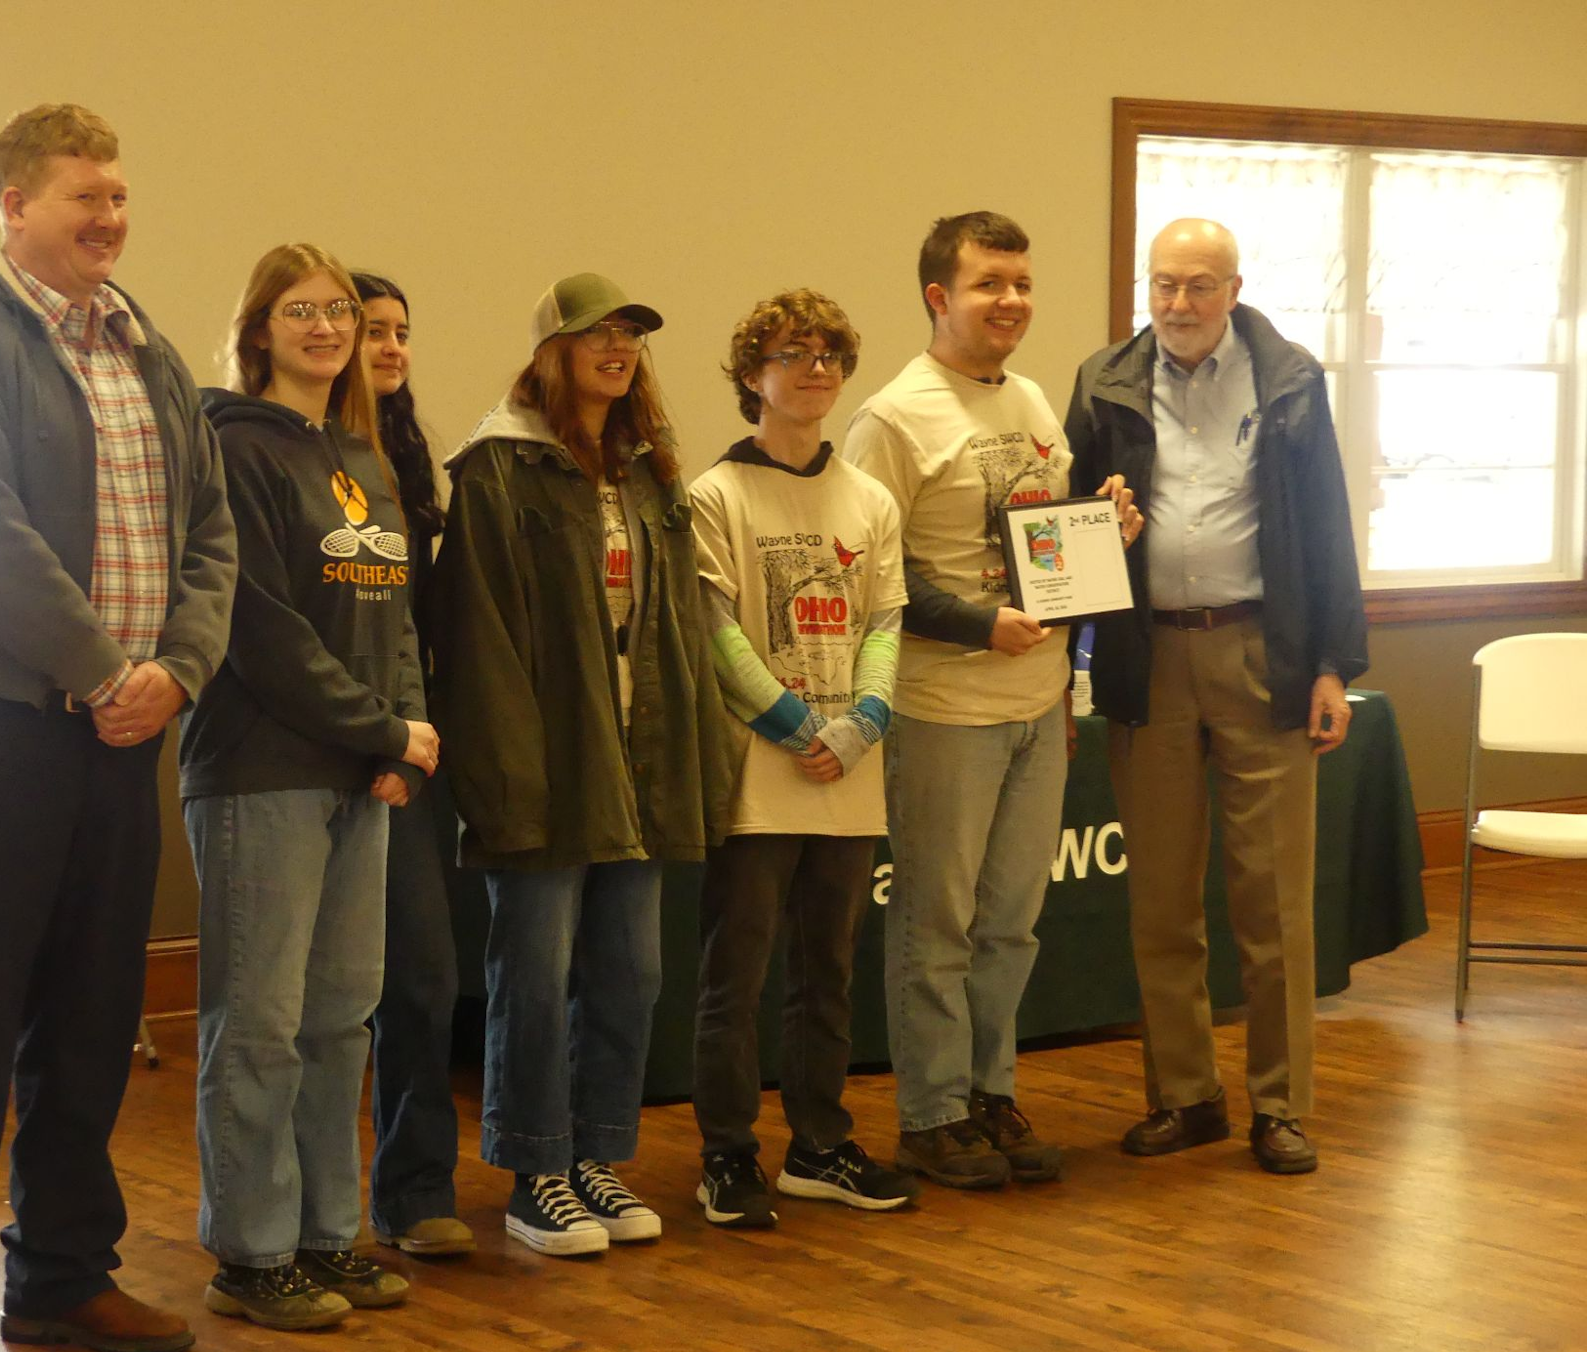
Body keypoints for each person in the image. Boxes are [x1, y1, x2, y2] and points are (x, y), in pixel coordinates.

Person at [0, 103, 235, 1352]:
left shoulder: (144, 348)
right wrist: (101, 670)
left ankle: (64, 1276)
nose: (111, 218)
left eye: (121, 195)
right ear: (14, 204)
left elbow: (209, 538)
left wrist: (174, 672)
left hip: (115, 733)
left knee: (89, 1026)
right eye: (86, 197)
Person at [434, 272, 732, 1255]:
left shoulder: (644, 472)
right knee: (532, 971)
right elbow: (476, 639)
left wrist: (684, 758)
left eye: (630, 336)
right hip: (545, 770)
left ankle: (596, 1157)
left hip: (636, 767)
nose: (617, 350)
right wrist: (507, 782)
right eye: (596, 334)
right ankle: (534, 1172)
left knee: (629, 971)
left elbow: (679, 628)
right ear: (550, 351)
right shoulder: (497, 469)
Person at [843, 211, 1141, 1191]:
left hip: (1036, 705)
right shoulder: (892, 418)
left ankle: (986, 1092)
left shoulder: (1029, 402)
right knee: (937, 924)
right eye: (987, 285)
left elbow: (1042, 553)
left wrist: (1108, 535)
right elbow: (870, 577)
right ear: (938, 296)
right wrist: (979, 628)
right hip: (941, 712)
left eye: (1019, 282)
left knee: (1010, 923)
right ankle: (928, 1115)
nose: (1009, 300)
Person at [1065, 217, 1367, 1175]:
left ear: (1234, 290)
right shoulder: (1104, 381)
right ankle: (1185, 1096)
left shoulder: (1288, 381)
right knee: (1160, 902)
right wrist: (1093, 536)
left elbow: (1325, 528)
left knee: (1273, 903)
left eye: (1198, 287)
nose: (1177, 305)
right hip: (1146, 658)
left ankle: (1280, 1105)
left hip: (1260, 655)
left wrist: (1333, 664)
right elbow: (1063, 527)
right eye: (1162, 286)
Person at [180, 244, 435, 1329]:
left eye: (338, 311)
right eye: (300, 311)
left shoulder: (363, 458)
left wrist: (401, 736)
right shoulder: (232, 450)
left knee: (341, 1019)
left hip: (356, 772)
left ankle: (329, 1235)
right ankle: (251, 1251)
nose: (326, 328)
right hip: (261, 771)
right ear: (259, 329)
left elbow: (394, 619)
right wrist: (376, 723)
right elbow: (258, 632)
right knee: (262, 1023)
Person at [686, 289, 920, 1228]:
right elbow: (712, 629)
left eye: (828, 354)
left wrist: (863, 719)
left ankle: (818, 1146)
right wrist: (792, 723)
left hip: (850, 775)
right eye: (792, 353)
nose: (814, 369)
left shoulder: (867, 500)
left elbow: (887, 619)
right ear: (754, 376)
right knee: (734, 976)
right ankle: (727, 1155)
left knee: (829, 969)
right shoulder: (713, 495)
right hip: (759, 776)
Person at [349, 270, 471, 1257]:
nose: (390, 348)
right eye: (371, 331)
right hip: (308, 756)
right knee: (312, 1004)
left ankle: (415, 1186)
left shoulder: (411, 473)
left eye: (400, 331)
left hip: (409, 759)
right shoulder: (287, 456)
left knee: (423, 979)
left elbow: (417, 636)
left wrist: (410, 741)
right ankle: (293, 1216)